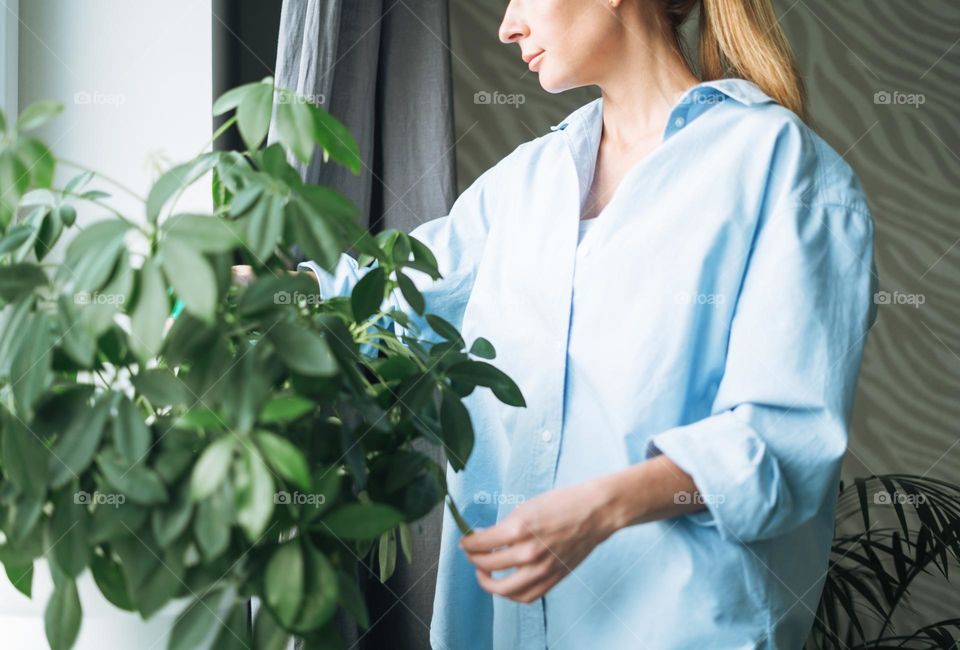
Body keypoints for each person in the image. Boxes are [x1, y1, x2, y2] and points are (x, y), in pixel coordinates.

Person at [297, 0, 879, 647]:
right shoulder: (524, 185)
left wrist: (604, 507)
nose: (507, 26)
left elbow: (781, 447)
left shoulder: (780, 168)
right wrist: (260, 294)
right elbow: (390, 304)